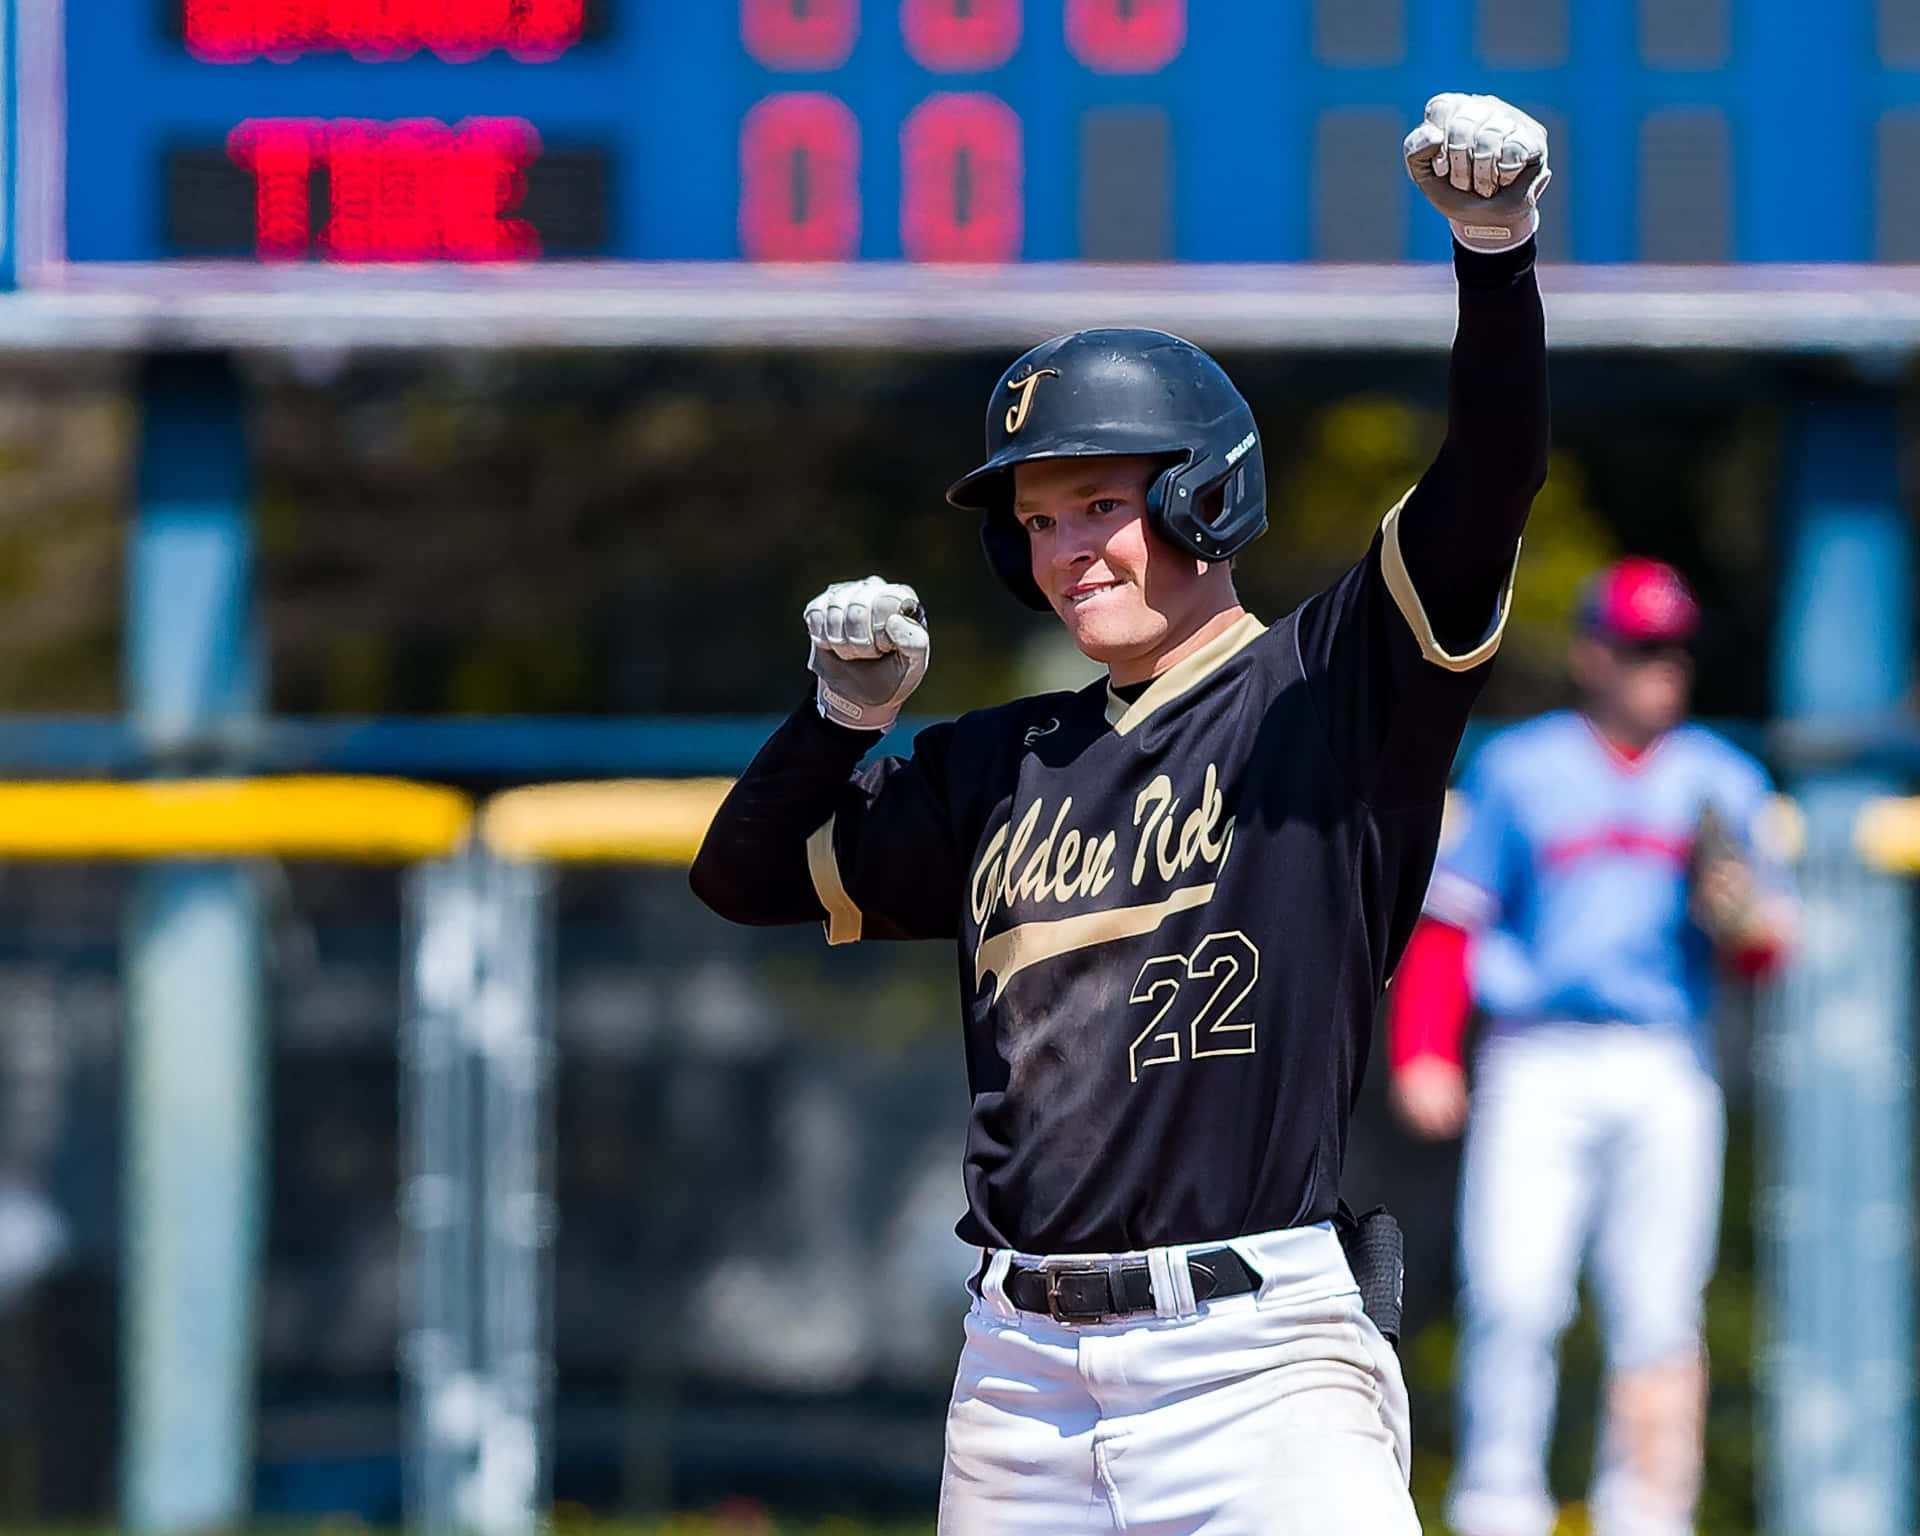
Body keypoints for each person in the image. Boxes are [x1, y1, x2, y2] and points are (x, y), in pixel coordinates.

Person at [692, 92, 1551, 1535]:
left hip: (1255, 1365)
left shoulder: (1324, 693)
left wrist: (1497, 258)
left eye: (1098, 503)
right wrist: (840, 720)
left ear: (1207, 496)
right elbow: (747, 876)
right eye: (1035, 521)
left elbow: (1487, 488)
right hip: (1017, 1375)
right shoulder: (995, 762)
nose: (1066, 549)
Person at [1386, 557, 1797, 1536]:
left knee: (1658, 1313)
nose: (1662, 665)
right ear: (1591, 655)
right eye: (1640, 646)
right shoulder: (1522, 767)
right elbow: (1452, 927)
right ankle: (1496, 1508)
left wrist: (1743, 923)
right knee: (1514, 1297)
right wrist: (1423, 1050)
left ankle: (1648, 1513)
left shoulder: (1721, 778)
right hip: (1538, 1058)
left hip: (1665, 1059)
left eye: (1673, 648)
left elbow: (1767, 953)